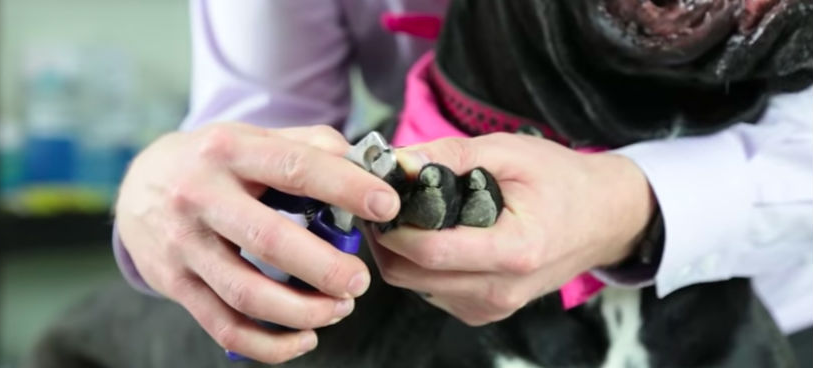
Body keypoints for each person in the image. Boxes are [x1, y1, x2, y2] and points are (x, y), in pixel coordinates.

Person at [112, 0, 813, 364]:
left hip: (753, 264)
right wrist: (166, 188)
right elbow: (264, 131)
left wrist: (626, 201)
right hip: (421, 237)